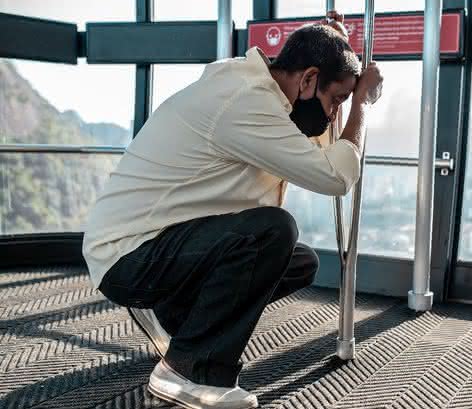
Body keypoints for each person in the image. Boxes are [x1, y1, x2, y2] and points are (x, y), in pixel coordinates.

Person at [81, 11, 383, 409]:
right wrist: (362, 102)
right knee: (273, 231)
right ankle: (189, 370)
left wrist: (335, 52)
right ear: (308, 79)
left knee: (298, 262)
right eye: (335, 101)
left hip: (158, 243)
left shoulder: (256, 88)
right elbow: (334, 177)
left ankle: (179, 319)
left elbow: (315, 147)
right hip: (128, 256)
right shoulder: (246, 102)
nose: (333, 115)